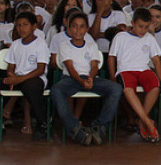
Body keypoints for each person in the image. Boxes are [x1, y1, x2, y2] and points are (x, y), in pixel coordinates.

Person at [51, 11, 122, 145]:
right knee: (56, 90)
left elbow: (94, 66)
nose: (78, 30)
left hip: (90, 78)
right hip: (71, 79)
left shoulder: (92, 45)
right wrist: (81, 81)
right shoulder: (64, 46)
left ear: (87, 29)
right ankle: (74, 128)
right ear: (69, 28)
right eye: (74, 26)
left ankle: (100, 127)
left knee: (116, 88)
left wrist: (90, 78)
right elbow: (70, 68)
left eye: (82, 26)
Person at [108, 8, 161, 142]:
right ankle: (147, 122)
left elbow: (156, 60)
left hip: (144, 70)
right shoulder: (121, 36)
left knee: (155, 86)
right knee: (128, 89)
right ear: (132, 23)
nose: (143, 30)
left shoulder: (149, 38)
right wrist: (112, 77)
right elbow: (111, 57)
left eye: (146, 27)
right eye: (140, 26)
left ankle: (141, 120)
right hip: (125, 70)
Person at [2, 11, 50, 137]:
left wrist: (19, 79)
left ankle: (42, 122)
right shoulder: (15, 44)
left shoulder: (40, 44)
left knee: (29, 87)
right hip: (18, 79)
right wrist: (11, 75)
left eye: (25, 25)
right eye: (18, 25)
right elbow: (11, 66)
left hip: (35, 78)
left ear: (34, 27)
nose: (21, 28)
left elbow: (40, 69)